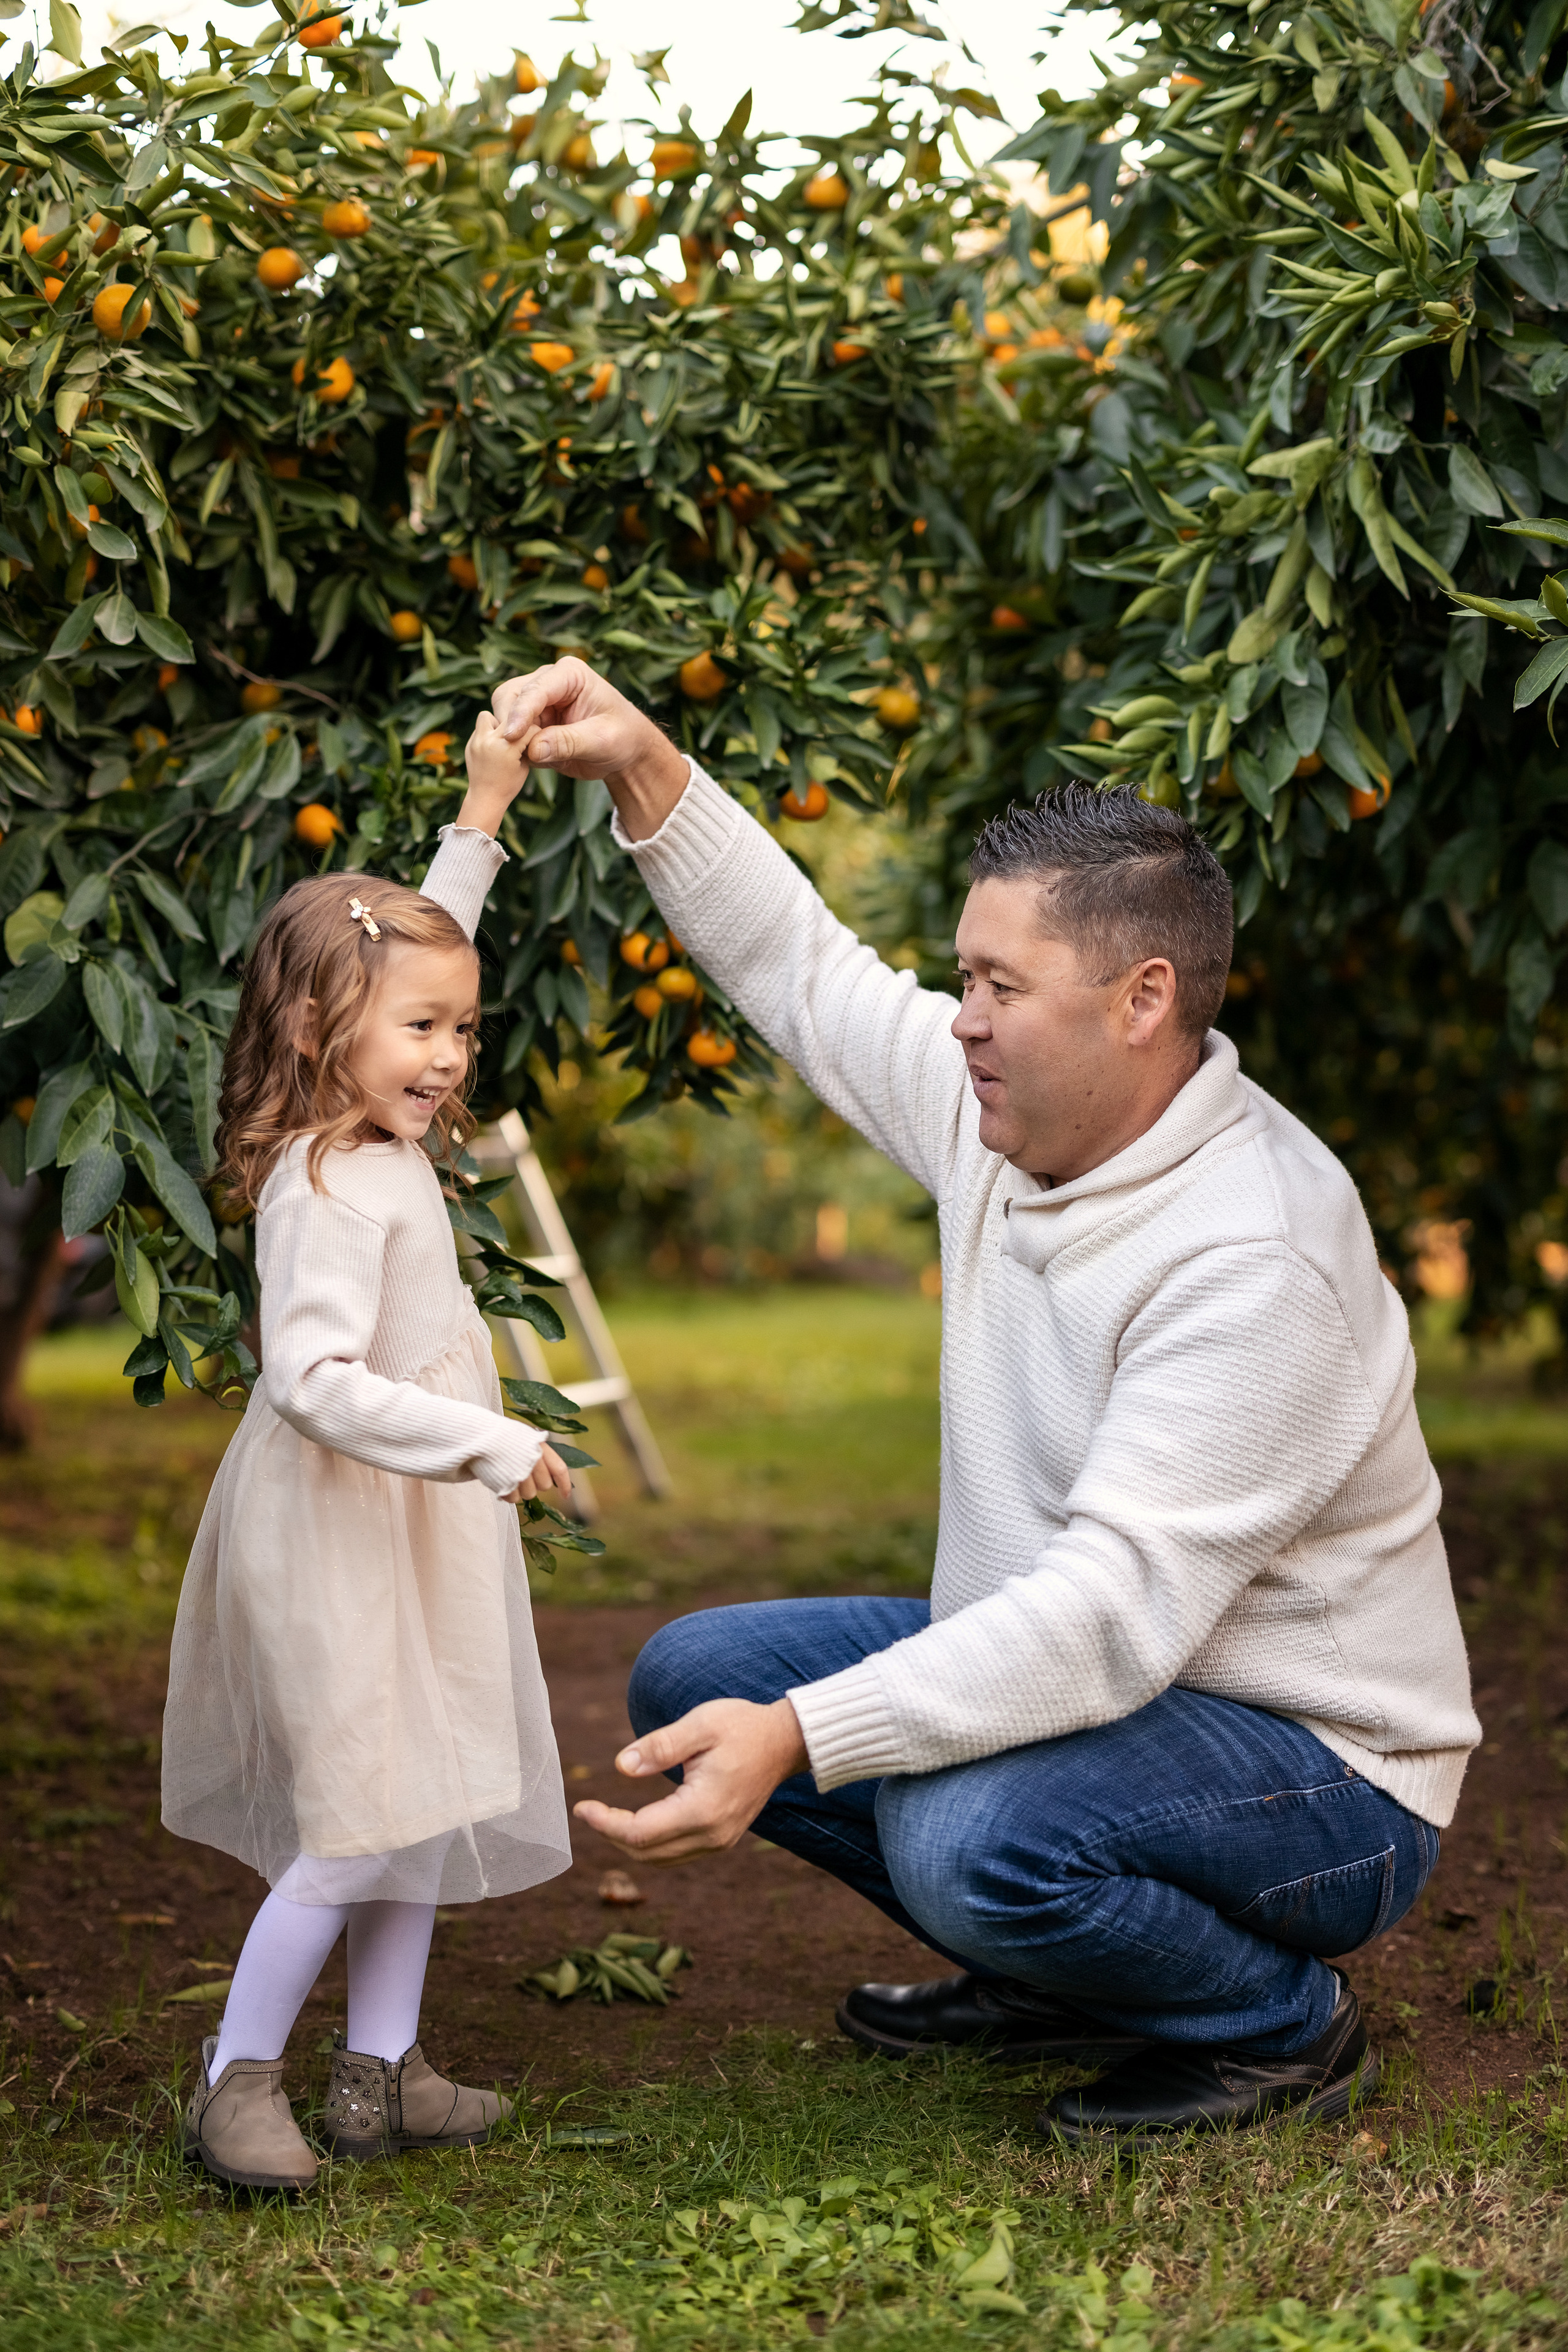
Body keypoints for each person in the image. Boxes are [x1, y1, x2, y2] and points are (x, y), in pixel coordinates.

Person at [491, 658, 1480, 2142]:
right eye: (963, 977)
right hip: (1120, 1690)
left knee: (956, 1831)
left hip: (1314, 1773)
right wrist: (641, 763)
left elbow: (1103, 1619)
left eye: (996, 985)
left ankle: (1278, 2025)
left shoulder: (1252, 1254)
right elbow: (807, 976)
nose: (959, 1018)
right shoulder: (1005, 1113)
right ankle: (1071, 1973)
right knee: (700, 1678)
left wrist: (813, 1735)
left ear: (1141, 1000)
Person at [162, 714, 573, 2192]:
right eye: (425, 1031)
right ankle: (231, 2083)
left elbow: (424, 948)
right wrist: (485, 1437)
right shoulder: (326, 1185)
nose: (452, 1053)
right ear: (317, 1033)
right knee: (348, 1823)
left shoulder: (383, 1111)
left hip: (408, 1519)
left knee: (424, 1789)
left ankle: (383, 2073)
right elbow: (312, 1379)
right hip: (346, 1519)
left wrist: (482, 805)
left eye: (463, 1028)